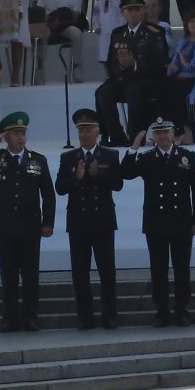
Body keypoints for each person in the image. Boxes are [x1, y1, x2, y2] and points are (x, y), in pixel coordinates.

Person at [0, 109, 55, 332]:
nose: (20, 137)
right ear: (6, 137)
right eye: (15, 133)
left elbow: (48, 194)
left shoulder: (38, 160)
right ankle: (10, 317)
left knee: (30, 275)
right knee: (8, 275)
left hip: (29, 225)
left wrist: (48, 223)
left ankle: (31, 316)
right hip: (4, 225)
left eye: (23, 132)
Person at [128, 116, 195, 327]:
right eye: (158, 133)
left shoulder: (186, 156)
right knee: (158, 269)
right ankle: (161, 311)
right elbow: (125, 173)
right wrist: (133, 148)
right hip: (156, 221)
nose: (162, 136)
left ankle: (181, 310)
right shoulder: (146, 158)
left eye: (165, 132)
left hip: (181, 221)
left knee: (182, 268)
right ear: (153, 136)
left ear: (172, 134)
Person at [54, 107, 122, 330]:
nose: (83, 135)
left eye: (87, 130)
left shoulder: (110, 155)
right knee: (80, 273)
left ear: (97, 131)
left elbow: (118, 184)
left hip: (102, 221)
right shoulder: (68, 157)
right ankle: (85, 316)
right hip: (78, 223)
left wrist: (98, 175)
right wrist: (77, 178)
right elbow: (60, 188)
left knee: (107, 272)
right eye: (80, 131)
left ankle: (109, 315)